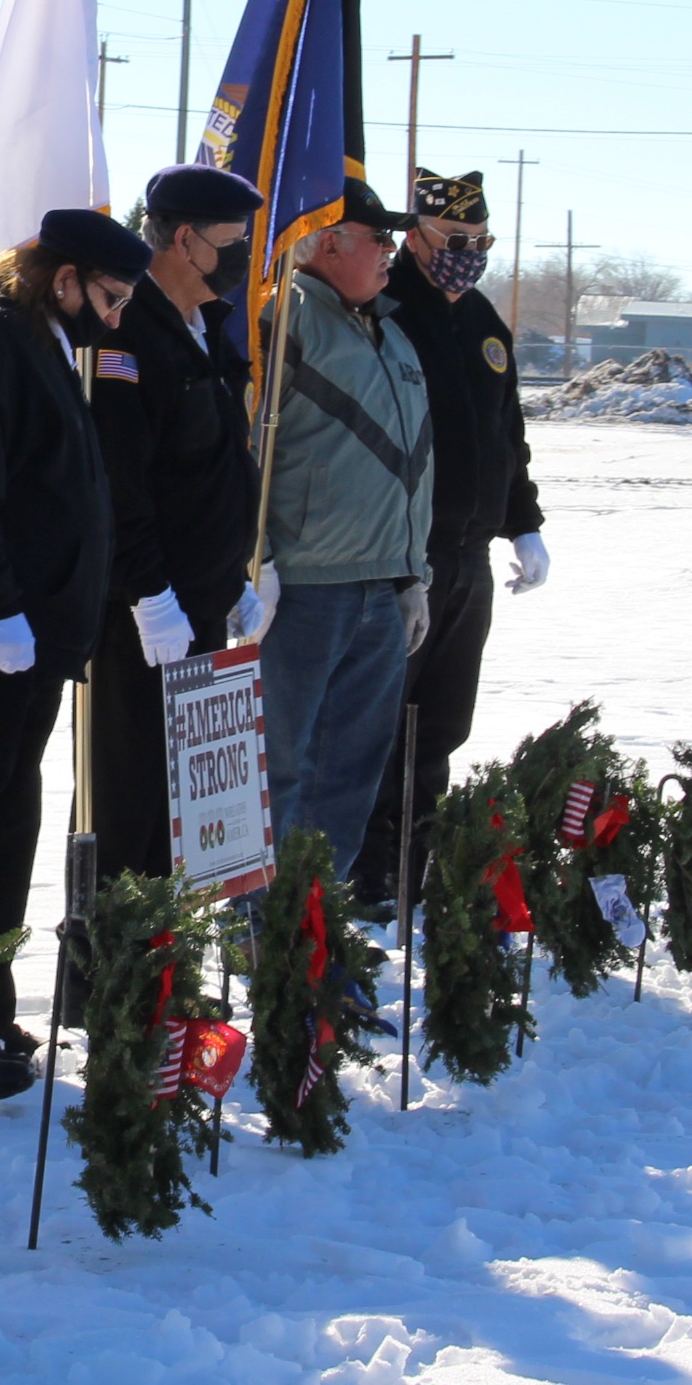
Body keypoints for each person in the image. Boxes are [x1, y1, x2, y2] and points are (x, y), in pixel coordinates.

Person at [0, 206, 152, 1095]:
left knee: (9, 826)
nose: (117, 316)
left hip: (41, 645)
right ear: (62, 281)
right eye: (108, 295)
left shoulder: (47, 342)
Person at [352, 168, 548, 912]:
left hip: (469, 558)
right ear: (416, 237)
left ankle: (412, 872)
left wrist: (523, 523)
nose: (471, 253)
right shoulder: (388, 312)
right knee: (380, 725)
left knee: (440, 724)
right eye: (457, 239)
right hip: (402, 554)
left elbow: (508, 434)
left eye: (481, 240)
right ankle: (364, 874)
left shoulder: (484, 324)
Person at [85, 166, 269, 888]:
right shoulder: (129, 326)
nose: (243, 257)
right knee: (131, 793)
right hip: (144, 611)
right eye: (233, 242)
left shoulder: (211, 327)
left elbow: (217, 466)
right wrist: (148, 591)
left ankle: (161, 957)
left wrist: (232, 578)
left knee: (186, 800)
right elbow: (121, 478)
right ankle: (113, 958)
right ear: (184, 239)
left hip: (200, 597)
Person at [254, 177, 432, 881]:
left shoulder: (388, 331)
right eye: (379, 238)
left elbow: (415, 466)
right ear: (329, 243)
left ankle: (315, 934)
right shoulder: (281, 319)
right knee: (282, 770)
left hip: (379, 592)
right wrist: (257, 558)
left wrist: (412, 575)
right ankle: (265, 940)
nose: (393, 251)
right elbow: (246, 448)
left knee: (349, 776)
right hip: (300, 593)